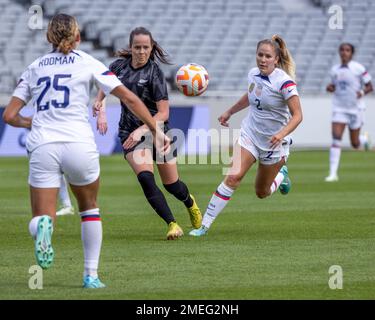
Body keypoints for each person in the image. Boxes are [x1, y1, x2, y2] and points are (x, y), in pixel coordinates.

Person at [2, 14, 169, 288]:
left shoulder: (35, 67)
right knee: (89, 208)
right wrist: (154, 129)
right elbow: (128, 97)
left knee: (42, 217)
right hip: (78, 143)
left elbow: (10, 115)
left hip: (44, 144)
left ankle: (43, 228)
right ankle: (90, 275)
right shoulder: (88, 62)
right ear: (78, 37)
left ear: (48, 38)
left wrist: (31, 121)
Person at [94, 27, 202, 240]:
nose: (141, 51)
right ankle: (172, 224)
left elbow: (163, 113)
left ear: (151, 48)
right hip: (128, 132)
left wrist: (143, 130)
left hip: (157, 132)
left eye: (145, 47)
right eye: (137, 47)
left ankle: (189, 202)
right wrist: (101, 110)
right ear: (131, 47)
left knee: (173, 186)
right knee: (145, 177)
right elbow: (103, 87)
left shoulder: (155, 73)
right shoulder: (117, 67)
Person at [189, 35, 303, 236]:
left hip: (272, 144)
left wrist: (281, 134)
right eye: (260, 55)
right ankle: (203, 226)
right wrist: (230, 111)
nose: (263, 59)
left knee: (262, 192)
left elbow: (298, 116)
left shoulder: (285, 83)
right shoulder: (253, 74)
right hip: (250, 135)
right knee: (233, 177)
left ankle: (281, 177)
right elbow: (251, 96)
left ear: (276, 59)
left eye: (268, 56)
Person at [325, 43, 373, 182]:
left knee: (355, 144)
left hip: (356, 109)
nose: (344, 52)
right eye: (342, 50)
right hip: (339, 108)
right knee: (336, 137)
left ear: (352, 53)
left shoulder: (358, 68)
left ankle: (364, 140)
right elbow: (335, 85)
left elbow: (370, 86)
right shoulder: (334, 70)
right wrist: (330, 87)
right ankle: (333, 174)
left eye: (347, 50)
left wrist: (362, 91)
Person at [56, 100, 108, 216]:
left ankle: (70, 205)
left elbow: (10, 116)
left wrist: (102, 112)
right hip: (63, 126)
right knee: (56, 167)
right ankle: (67, 205)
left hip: (76, 130)